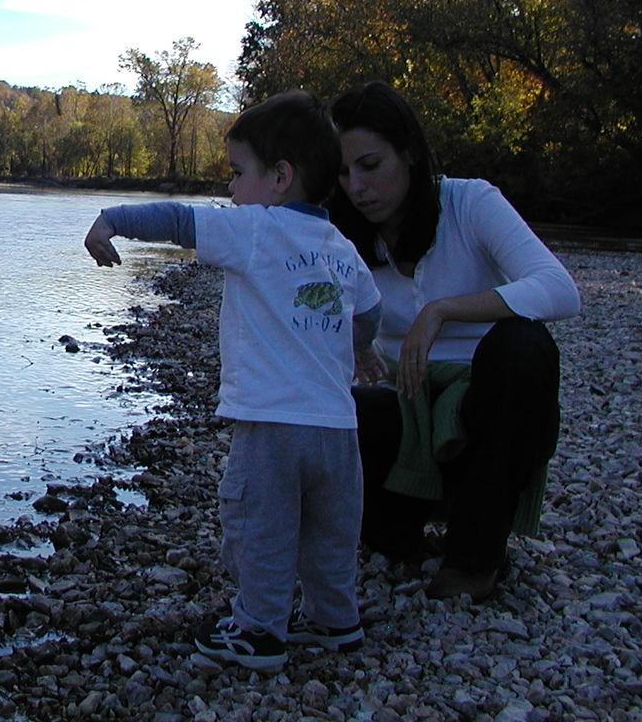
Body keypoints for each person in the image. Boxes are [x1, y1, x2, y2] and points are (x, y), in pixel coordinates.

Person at [84, 91, 382, 673]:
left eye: (237, 173)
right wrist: (362, 349)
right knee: (331, 532)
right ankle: (334, 620)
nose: (230, 190)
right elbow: (369, 311)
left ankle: (259, 629)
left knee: (260, 529)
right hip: (338, 429)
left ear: (279, 177)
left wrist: (111, 220)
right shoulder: (342, 248)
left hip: (271, 427)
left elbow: (177, 222)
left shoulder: (255, 229)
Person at [327, 81, 581, 602]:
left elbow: (560, 289)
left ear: (411, 154)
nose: (356, 186)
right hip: (403, 413)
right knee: (341, 412)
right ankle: (402, 525)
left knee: (524, 346)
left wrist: (441, 311)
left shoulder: (469, 203)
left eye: (370, 166)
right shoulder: (341, 234)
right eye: (343, 171)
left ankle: (475, 558)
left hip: (486, 417)